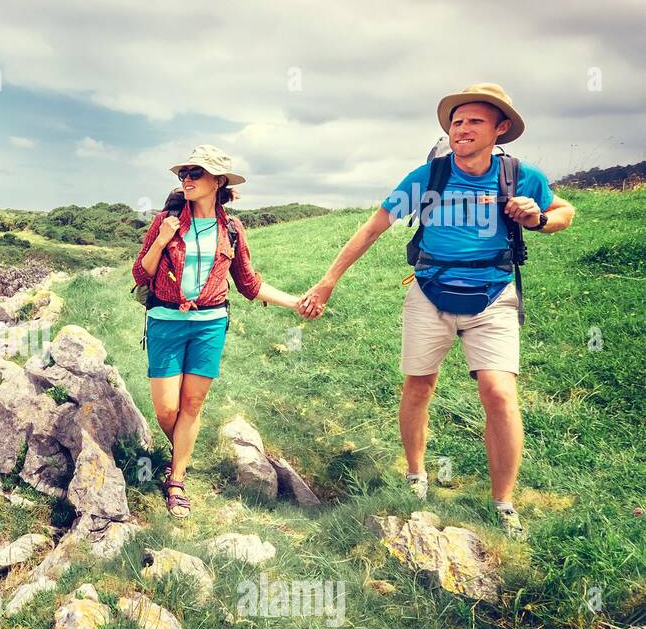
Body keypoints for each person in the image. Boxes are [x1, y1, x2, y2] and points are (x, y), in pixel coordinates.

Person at [298, 84, 576, 538]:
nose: (462, 129)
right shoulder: (428, 177)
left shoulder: (520, 177)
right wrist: (328, 282)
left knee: (499, 393)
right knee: (419, 386)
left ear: (500, 128)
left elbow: (565, 212)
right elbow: (373, 228)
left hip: (493, 295)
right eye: (456, 121)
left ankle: (504, 503)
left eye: (475, 121)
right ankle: (416, 476)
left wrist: (538, 217)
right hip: (429, 292)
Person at [132, 145, 304, 518]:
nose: (188, 180)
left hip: (209, 325)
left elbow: (249, 284)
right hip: (165, 322)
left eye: (197, 173)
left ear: (218, 181)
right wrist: (162, 238)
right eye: (184, 174)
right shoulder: (166, 220)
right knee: (167, 409)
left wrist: (295, 302)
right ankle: (182, 450)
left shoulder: (232, 229)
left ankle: (176, 479)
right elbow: (140, 273)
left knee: (192, 405)